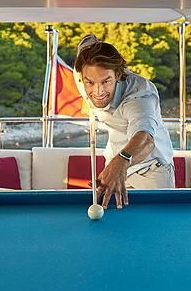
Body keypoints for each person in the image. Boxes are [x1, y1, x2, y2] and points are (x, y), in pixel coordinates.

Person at [74, 34, 175, 209]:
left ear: (118, 75)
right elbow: (87, 42)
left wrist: (121, 161)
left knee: (156, 229)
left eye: (106, 82)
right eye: (90, 82)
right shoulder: (82, 72)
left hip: (151, 171)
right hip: (115, 163)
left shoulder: (139, 96)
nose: (98, 91)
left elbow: (145, 139)